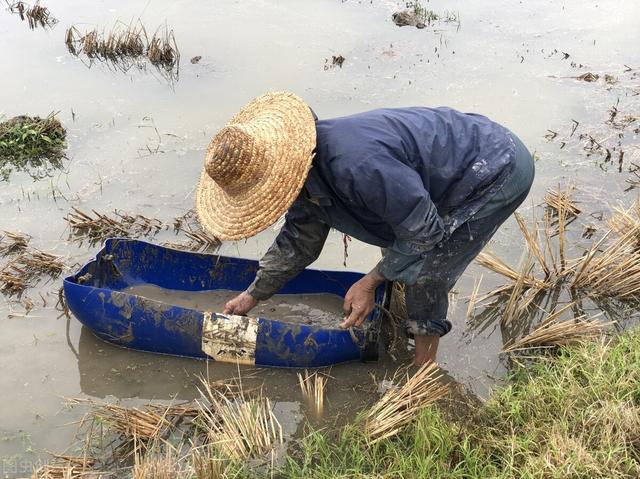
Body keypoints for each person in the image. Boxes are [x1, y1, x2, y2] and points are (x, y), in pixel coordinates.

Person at [195, 91, 534, 365]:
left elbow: (425, 232)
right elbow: (299, 243)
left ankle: (422, 372)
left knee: (428, 271)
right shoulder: (305, 175)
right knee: (403, 246)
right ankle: (402, 313)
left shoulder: (358, 165)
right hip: (446, 169)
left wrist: (370, 282)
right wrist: (253, 295)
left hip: (494, 167)